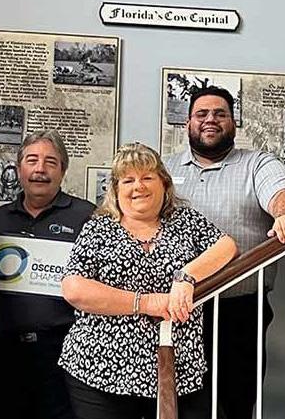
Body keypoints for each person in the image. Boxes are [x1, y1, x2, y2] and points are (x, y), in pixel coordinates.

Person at [59, 143, 238, 419]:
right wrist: (145, 303)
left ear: (164, 183)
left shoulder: (186, 220)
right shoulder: (98, 228)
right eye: (128, 180)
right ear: (116, 190)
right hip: (99, 369)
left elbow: (226, 247)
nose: (138, 187)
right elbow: (74, 288)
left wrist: (186, 276)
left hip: (179, 370)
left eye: (147, 177)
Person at [164, 86, 285, 419]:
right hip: (178, 310)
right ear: (188, 123)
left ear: (233, 123)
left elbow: (281, 192)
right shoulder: (164, 169)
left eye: (220, 114)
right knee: (183, 405)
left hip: (240, 311)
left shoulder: (257, 163)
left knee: (237, 401)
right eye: (201, 114)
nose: (210, 120)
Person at [0, 130, 96, 419]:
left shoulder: (87, 217)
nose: (40, 169)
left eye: (50, 162)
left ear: (63, 170)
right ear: (19, 168)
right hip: (6, 352)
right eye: (32, 160)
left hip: (66, 353)